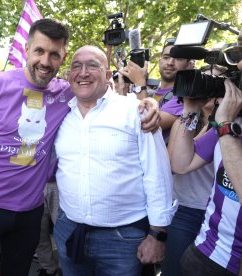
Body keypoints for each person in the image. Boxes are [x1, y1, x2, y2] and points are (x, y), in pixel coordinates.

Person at [0, 18, 160, 276]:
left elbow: (105, 94)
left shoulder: (67, 92)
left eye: (54, 54)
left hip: (29, 213)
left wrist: (148, 101)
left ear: (63, 58)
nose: (45, 62)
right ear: (27, 49)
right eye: (39, 51)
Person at [53, 45, 174, 276]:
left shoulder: (135, 111)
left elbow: (157, 173)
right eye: (76, 66)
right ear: (69, 76)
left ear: (108, 75)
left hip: (123, 240)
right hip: (69, 230)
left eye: (93, 65)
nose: (83, 72)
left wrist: (158, 235)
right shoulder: (60, 115)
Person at [168, 61, 242, 274]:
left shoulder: (227, 124)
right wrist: (191, 108)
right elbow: (182, 164)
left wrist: (226, 124)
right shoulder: (232, 122)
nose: (238, 64)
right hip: (203, 252)